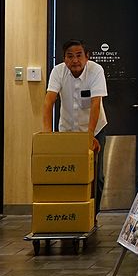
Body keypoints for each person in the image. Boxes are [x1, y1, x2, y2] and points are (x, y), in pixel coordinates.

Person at [41, 39, 108, 209]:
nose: (75, 60)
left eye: (79, 55)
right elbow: (49, 101)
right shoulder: (58, 71)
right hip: (68, 131)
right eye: (70, 56)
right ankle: (71, 212)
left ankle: (91, 215)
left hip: (94, 130)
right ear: (64, 59)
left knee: (96, 176)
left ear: (87, 57)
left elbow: (95, 103)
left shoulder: (96, 70)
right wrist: (47, 134)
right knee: (69, 172)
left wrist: (90, 136)